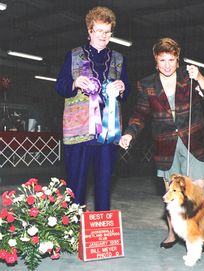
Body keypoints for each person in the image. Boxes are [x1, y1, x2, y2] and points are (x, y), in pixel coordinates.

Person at [119, 37, 204, 248]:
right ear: (155, 60)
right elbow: (140, 113)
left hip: (194, 141)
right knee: (171, 194)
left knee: (199, 189)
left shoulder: (189, 77)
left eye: (171, 60)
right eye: (162, 60)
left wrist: (200, 76)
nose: (167, 65)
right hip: (165, 146)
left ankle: (202, 234)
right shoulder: (146, 85)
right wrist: (129, 134)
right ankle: (172, 234)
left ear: (178, 60)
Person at [55, 6, 129, 211]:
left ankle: (101, 231)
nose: (103, 36)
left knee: (104, 185)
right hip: (79, 130)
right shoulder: (73, 55)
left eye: (108, 32)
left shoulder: (119, 58)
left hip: (108, 133)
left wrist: (123, 87)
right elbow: (59, 86)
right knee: (76, 185)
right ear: (89, 31)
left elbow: (128, 88)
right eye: (99, 31)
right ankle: (72, 231)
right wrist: (75, 82)